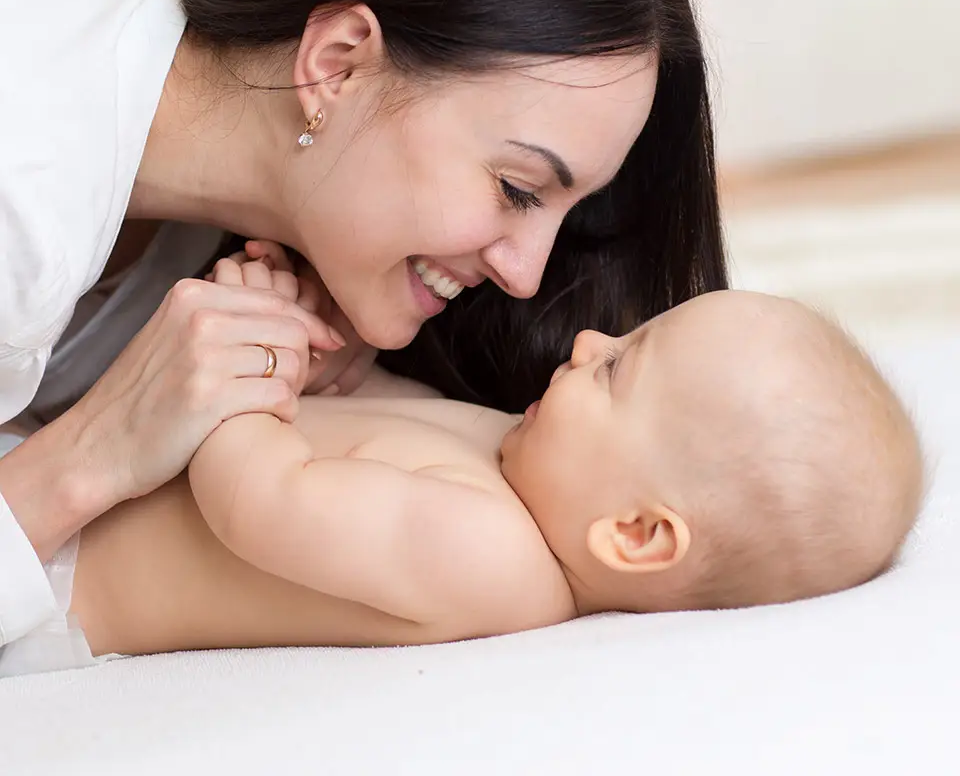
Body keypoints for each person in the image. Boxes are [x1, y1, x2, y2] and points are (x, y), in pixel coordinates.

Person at [0, 0, 725, 652]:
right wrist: (95, 451)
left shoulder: (215, 223)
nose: (527, 275)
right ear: (337, 62)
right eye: (516, 188)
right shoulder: (28, 187)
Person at [0, 268, 922, 674]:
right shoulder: (524, 462)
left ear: (636, 536)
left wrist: (247, 384)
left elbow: (267, 502)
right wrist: (325, 363)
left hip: (51, 581)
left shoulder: (492, 558)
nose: (588, 339)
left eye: (615, 368)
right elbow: (379, 422)